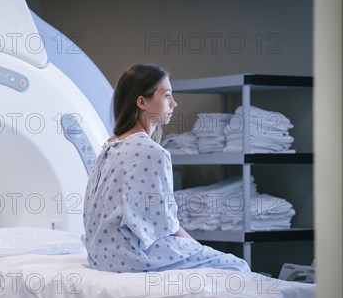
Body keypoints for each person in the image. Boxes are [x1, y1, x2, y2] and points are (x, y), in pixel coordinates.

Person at [83, 64, 250, 273]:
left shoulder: (109, 147)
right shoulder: (151, 152)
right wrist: (198, 248)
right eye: (167, 96)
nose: (174, 103)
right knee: (236, 265)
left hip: (100, 256)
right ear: (142, 102)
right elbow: (165, 225)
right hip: (132, 257)